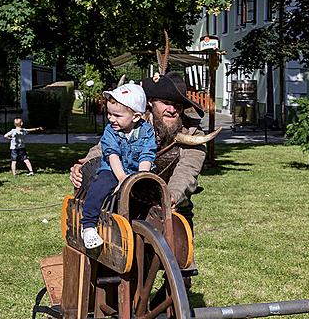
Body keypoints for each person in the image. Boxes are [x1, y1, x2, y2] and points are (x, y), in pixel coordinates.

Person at [70, 72, 207, 231]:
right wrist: (84, 166)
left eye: (177, 105)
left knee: (178, 248)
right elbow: (105, 148)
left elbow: (187, 171)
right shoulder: (133, 123)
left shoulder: (194, 135)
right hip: (127, 200)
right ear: (151, 103)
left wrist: (171, 197)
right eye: (165, 102)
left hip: (171, 208)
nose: (172, 110)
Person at [81, 83, 157, 249]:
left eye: (117, 115)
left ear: (136, 117)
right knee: (100, 186)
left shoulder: (147, 132)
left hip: (136, 172)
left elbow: (147, 155)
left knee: (151, 191)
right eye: (109, 113)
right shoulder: (110, 131)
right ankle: (88, 226)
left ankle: (148, 225)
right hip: (113, 171)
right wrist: (122, 178)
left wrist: (141, 177)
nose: (111, 119)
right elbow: (112, 154)